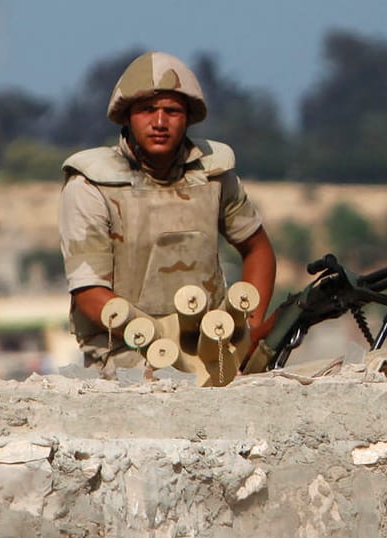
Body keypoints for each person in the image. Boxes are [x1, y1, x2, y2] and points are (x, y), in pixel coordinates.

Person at [58, 51, 276, 376]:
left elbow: (257, 249)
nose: (160, 122)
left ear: (187, 117)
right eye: (147, 110)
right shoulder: (91, 185)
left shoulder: (213, 175)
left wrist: (249, 329)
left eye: (172, 111)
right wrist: (161, 340)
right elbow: (91, 295)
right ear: (127, 117)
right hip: (124, 360)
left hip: (214, 352)